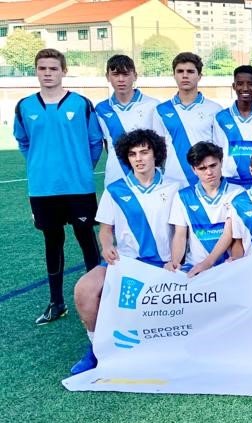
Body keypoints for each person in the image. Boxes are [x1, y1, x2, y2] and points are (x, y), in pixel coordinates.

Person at [70, 129, 178, 374]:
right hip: (126, 262)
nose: (139, 158)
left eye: (144, 152)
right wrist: (107, 246)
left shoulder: (174, 188)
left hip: (165, 263)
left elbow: (182, 231)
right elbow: (106, 230)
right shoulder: (116, 190)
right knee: (84, 290)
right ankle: (97, 348)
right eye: (132, 154)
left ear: (156, 154)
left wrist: (177, 259)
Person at [14, 48, 103, 324]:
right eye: (42, 68)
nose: (48, 74)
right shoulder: (25, 106)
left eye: (53, 68)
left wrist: (78, 168)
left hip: (78, 186)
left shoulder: (80, 103)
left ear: (64, 71)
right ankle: (56, 303)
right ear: (36, 71)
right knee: (52, 243)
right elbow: (24, 142)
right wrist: (42, 168)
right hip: (43, 190)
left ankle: (101, 297)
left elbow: (95, 142)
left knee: (87, 240)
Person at [165, 141, 244, 276]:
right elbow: (180, 235)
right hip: (194, 267)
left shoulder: (238, 193)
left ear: (221, 162)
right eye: (202, 168)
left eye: (213, 165)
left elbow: (236, 237)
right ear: (193, 170)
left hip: (227, 266)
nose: (209, 172)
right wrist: (175, 262)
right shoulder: (183, 196)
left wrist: (234, 263)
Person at [154, 52, 223, 188]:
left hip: (205, 182)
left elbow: (220, 149)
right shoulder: (161, 110)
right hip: (171, 182)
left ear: (199, 76)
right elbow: (157, 150)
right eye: (180, 71)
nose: (185, 75)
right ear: (174, 75)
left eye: (190, 71)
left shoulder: (215, 109)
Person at [96, 54, 160, 187]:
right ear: (107, 77)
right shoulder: (101, 109)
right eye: (115, 74)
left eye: (125, 74)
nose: (121, 79)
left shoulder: (153, 106)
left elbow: (159, 144)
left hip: (147, 178)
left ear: (135, 76)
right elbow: (106, 144)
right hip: (115, 177)